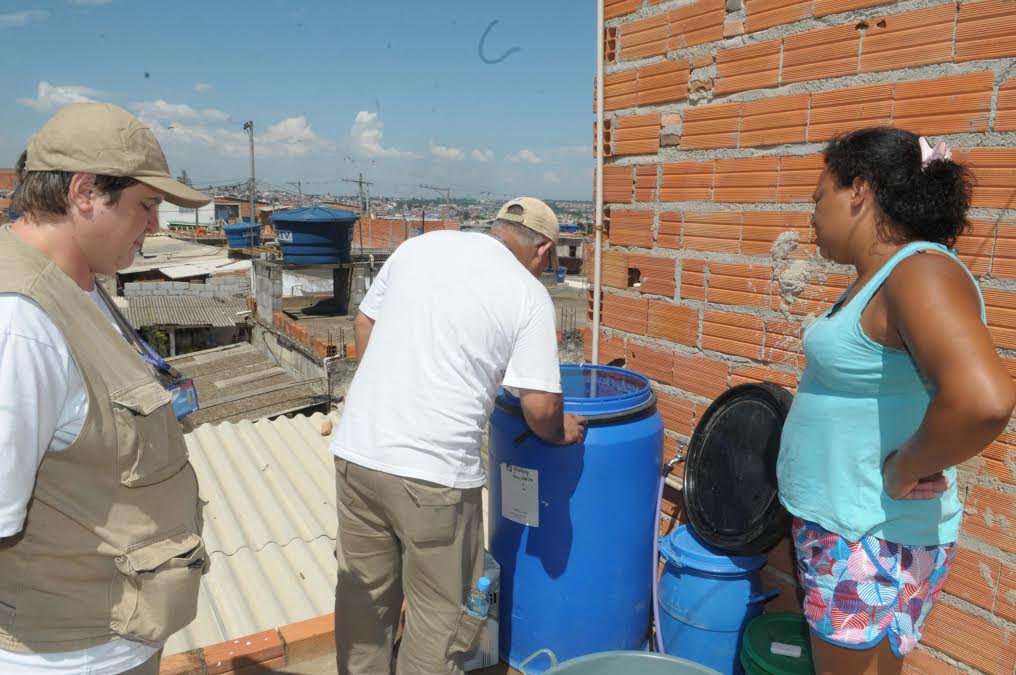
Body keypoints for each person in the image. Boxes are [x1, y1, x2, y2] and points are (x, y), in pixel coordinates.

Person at [777, 127, 1016, 675]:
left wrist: (904, 468)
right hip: (853, 529)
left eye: (820, 196)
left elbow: (983, 400)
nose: (813, 213)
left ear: (858, 191)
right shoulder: (884, 278)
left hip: (865, 536)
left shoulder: (919, 270)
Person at [330, 197, 588, 674]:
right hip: (435, 479)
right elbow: (541, 407)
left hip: (357, 455)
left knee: (363, 605)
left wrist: (390, 399)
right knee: (439, 621)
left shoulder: (419, 248)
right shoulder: (527, 294)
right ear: (544, 249)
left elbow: (365, 321)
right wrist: (561, 431)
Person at [0, 103, 212, 674]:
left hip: (115, 636)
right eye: (147, 206)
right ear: (86, 192)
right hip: (64, 655)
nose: (156, 227)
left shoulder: (79, 285)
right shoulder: (19, 322)